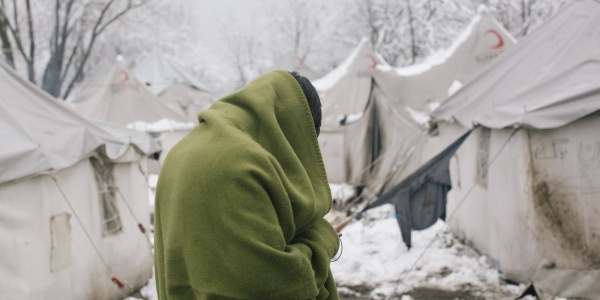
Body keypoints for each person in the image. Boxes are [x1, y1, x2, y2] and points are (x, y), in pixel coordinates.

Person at [153, 70, 340, 299]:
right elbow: (274, 286)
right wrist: (321, 239)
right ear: (290, 127)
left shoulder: (181, 151)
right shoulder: (242, 163)